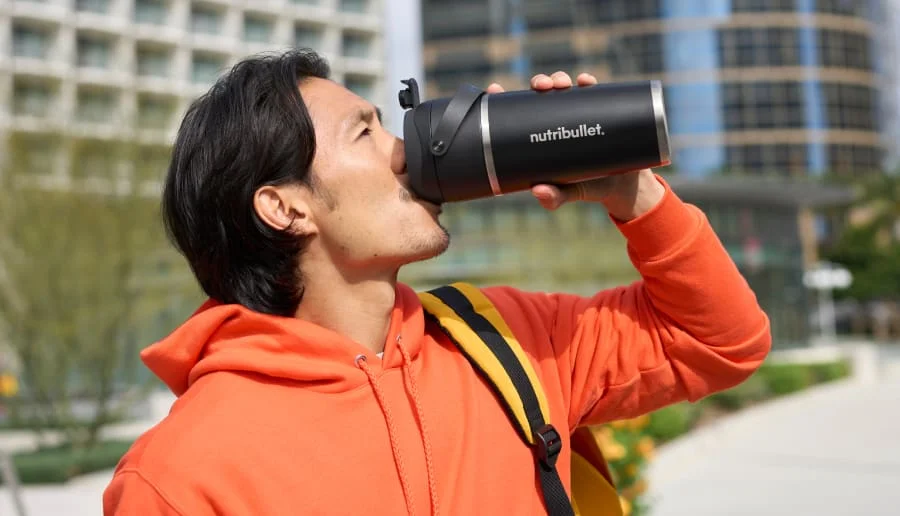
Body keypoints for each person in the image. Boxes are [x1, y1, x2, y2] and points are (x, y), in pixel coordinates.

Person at [103, 49, 771, 515]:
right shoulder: (179, 477)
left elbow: (720, 342)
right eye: (364, 132)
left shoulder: (504, 342)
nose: (403, 150)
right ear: (285, 206)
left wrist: (633, 192)